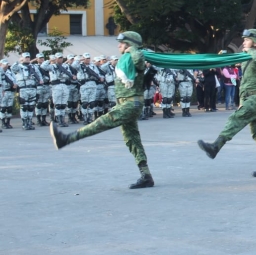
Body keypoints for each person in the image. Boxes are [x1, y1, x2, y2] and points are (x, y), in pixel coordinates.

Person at [50, 31, 155, 189]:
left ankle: (66, 139)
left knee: (101, 122)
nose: (119, 45)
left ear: (129, 44)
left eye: (122, 43)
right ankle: (146, 175)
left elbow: (139, 62)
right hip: (126, 103)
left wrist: (132, 49)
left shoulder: (135, 56)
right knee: (132, 140)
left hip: (130, 103)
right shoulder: (127, 58)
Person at [197, 29, 256, 177]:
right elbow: (244, 81)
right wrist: (242, 101)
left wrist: (249, 51)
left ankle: (216, 146)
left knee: (235, 119)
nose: (244, 42)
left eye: (247, 39)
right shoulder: (247, 57)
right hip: (250, 97)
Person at [12, 52, 44, 130]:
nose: (27, 58)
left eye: (28, 57)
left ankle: (29, 121)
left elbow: (38, 75)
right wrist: (18, 61)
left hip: (32, 88)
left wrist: (40, 80)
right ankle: (24, 123)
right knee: (24, 106)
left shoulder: (33, 66)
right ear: (22, 58)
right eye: (25, 57)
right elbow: (13, 68)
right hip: (23, 88)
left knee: (31, 106)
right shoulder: (19, 66)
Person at [49, 53, 75, 127]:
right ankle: (59, 120)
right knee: (58, 104)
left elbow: (69, 74)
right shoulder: (52, 66)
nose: (60, 59)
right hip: (56, 86)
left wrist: (65, 76)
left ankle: (62, 119)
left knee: (63, 104)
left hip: (64, 85)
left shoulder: (65, 66)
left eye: (61, 58)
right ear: (55, 58)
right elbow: (43, 66)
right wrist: (50, 60)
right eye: (59, 58)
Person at [0, 59, 16, 129]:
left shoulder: (10, 72)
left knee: (9, 108)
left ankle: (8, 122)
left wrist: (15, 85)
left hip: (10, 91)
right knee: (3, 108)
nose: (6, 65)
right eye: (5, 64)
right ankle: (3, 123)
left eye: (7, 64)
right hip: (4, 91)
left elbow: (14, 79)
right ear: (1, 64)